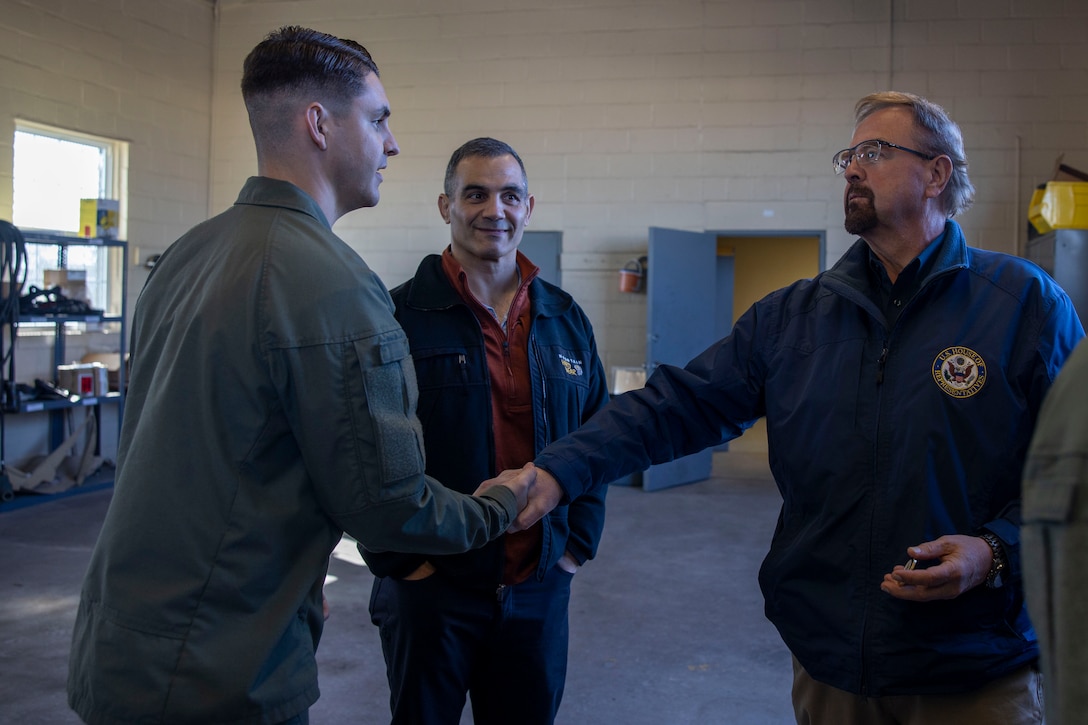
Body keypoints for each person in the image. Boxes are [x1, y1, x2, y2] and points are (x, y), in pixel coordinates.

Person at [499, 91, 1085, 723]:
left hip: (971, 667)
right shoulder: (793, 316)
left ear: (938, 173)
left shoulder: (1023, 305)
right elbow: (677, 405)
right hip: (830, 664)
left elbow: (1073, 477)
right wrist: (563, 467)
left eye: (874, 152)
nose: (852, 168)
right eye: (848, 155)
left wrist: (994, 552)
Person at [67, 27, 534, 725]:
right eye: (379, 120)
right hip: (220, 670)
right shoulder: (337, 288)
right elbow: (389, 506)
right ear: (319, 124)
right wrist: (499, 504)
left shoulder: (188, 255)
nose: (393, 144)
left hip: (121, 645)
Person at [362, 137, 610, 725]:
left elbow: (597, 438)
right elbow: (363, 448)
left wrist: (576, 548)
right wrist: (402, 563)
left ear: (529, 207)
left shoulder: (565, 317)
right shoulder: (396, 318)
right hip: (431, 590)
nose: (493, 210)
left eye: (509, 195)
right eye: (474, 194)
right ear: (445, 205)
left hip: (538, 585)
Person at [1023, 337, 1088, 725]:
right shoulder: (1077, 387)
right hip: (830, 658)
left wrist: (994, 548)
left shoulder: (1033, 301)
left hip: (981, 655)